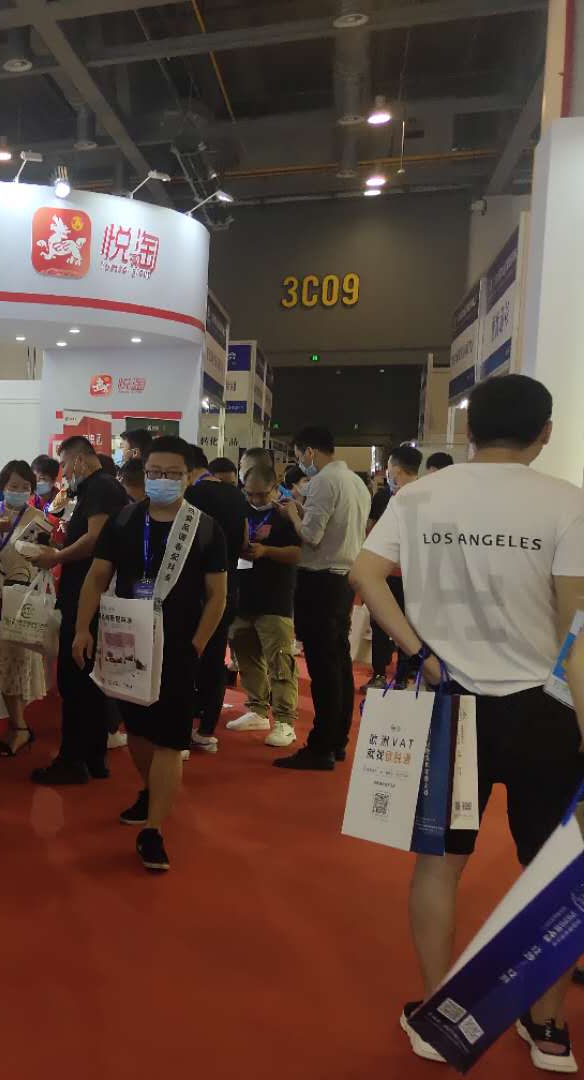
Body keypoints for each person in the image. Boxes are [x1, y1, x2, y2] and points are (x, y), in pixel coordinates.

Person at [350, 374, 584, 1072]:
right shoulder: (567, 503)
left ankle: (438, 1012)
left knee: (440, 864)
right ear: (545, 432)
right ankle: (549, 1029)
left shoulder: (419, 495)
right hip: (547, 710)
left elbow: (365, 574)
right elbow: (575, 631)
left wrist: (419, 652)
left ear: (470, 430)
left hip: (451, 702)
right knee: (554, 869)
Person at [72, 435, 228, 872]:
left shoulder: (205, 528)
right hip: (128, 641)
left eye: (172, 474)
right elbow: (96, 577)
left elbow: (218, 595)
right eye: (155, 472)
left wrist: (198, 643)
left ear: (188, 477)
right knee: (138, 730)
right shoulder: (124, 520)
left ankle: (153, 830)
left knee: (171, 737)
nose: (162, 480)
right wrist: (82, 628)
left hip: (179, 646)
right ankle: (152, 791)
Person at [27, 435, 130, 783]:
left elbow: (95, 539)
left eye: (65, 465)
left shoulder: (100, 488)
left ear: (80, 460)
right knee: (88, 682)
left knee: (75, 681)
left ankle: (73, 760)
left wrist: (57, 556)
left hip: (88, 598)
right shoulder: (97, 489)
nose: (63, 473)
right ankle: (93, 757)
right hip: (89, 594)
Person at [274, 426, 370, 771]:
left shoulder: (323, 482)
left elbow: (312, 536)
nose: (300, 461)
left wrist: (292, 514)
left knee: (323, 666)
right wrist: (303, 507)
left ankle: (321, 746)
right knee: (338, 663)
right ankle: (336, 740)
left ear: (310, 451)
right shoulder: (355, 482)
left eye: (299, 455)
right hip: (343, 579)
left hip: (320, 580)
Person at [225, 464, 301, 748]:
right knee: (246, 657)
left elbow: (299, 553)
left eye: (262, 494)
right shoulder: (238, 513)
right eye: (250, 494)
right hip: (241, 596)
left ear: (275, 488)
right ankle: (257, 709)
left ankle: (285, 721)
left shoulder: (286, 515)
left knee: (280, 662)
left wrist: (266, 550)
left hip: (275, 598)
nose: (255, 499)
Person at [0, 460, 53, 756]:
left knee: (16, 662)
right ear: (2, 486)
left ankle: (19, 726)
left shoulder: (38, 518)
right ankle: (15, 726)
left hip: (20, 599)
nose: (19, 492)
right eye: (13, 486)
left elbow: (44, 558)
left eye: (25, 487)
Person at [183, 444, 249, 753]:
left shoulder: (191, 496)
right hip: (228, 585)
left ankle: (181, 731)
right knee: (214, 659)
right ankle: (207, 730)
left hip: (193, 590)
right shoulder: (236, 495)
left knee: (186, 658)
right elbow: (245, 540)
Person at [365, 444, 423, 690]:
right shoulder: (424, 496)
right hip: (401, 575)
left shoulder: (403, 498)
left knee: (393, 623)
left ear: (396, 470)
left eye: (388, 469)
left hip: (395, 574)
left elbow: (370, 530)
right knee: (398, 624)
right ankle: (395, 674)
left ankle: (392, 675)